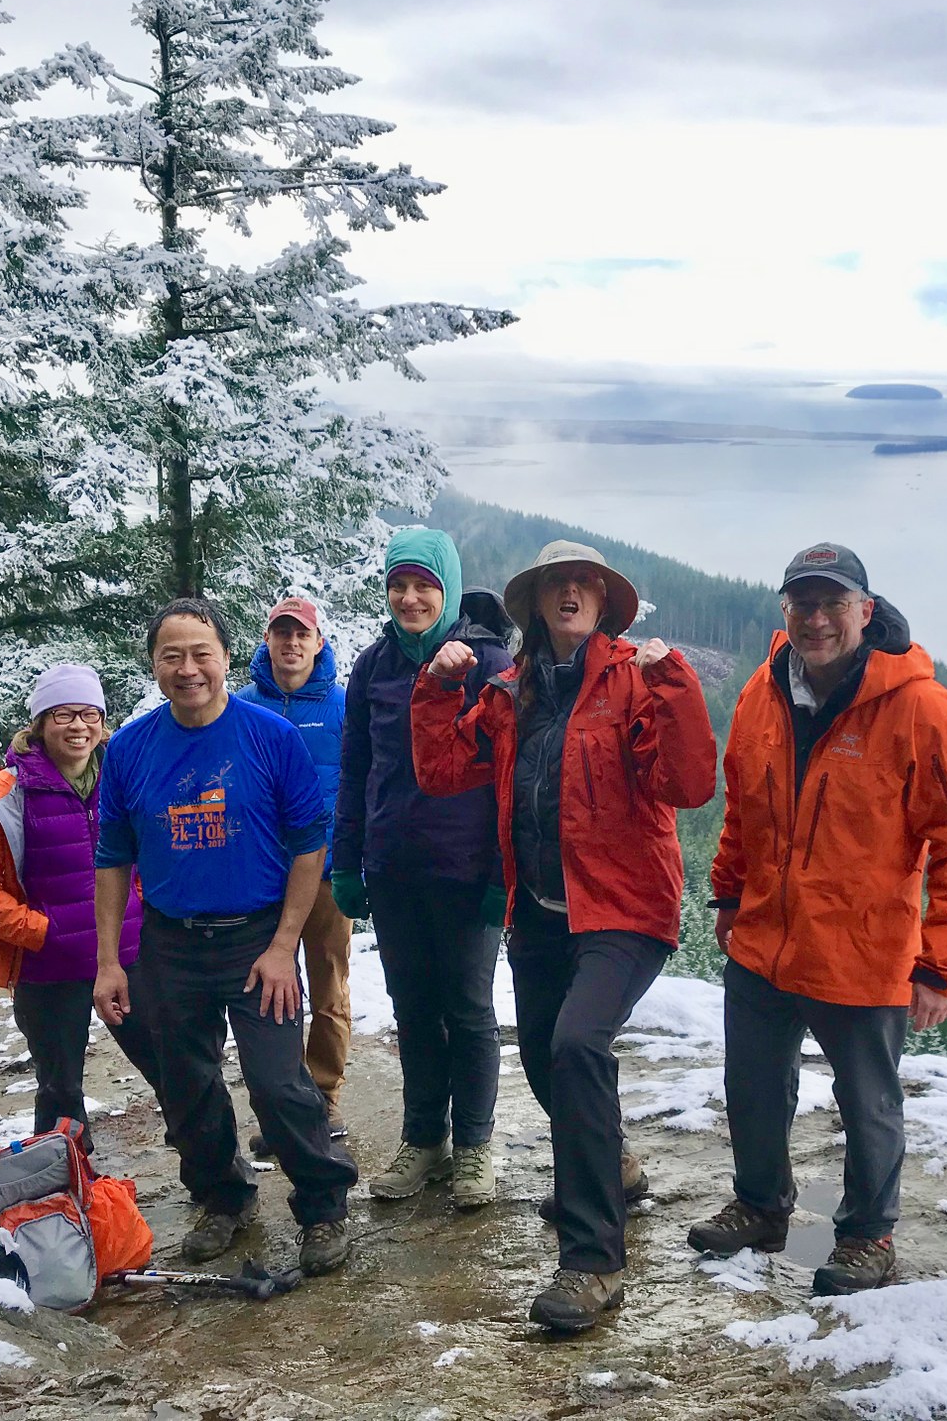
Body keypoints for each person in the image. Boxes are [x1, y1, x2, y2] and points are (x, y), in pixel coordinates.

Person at [413, 540, 717, 1333]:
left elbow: (687, 784)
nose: (572, 593)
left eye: (585, 583)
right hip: (542, 911)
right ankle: (610, 1163)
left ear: (604, 603)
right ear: (538, 604)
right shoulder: (511, 692)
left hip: (624, 907)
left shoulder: (633, 681)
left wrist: (676, 687)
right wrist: (438, 690)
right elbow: (445, 770)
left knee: (580, 1045)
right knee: (553, 1065)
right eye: (558, 584)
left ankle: (592, 1260)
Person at [689, 543, 947, 1297]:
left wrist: (940, 963)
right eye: (803, 603)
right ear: (784, 611)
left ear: (866, 610)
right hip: (765, 937)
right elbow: (744, 808)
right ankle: (761, 1206)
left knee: (867, 1102)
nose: (817, 619)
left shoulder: (921, 708)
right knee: (754, 1085)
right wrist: (727, 895)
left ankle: (867, 1237)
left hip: (863, 951)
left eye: (834, 603)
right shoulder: (763, 693)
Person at [92, 598, 357, 1274]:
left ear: (227, 658)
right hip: (170, 942)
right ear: (153, 665)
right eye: (171, 655)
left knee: (278, 1083)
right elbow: (113, 858)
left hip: (256, 938)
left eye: (201, 653)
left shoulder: (270, 737)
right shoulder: (127, 750)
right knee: (186, 1085)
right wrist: (109, 962)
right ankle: (224, 1198)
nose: (188, 670)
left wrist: (282, 946)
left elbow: (308, 844)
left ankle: (324, 1208)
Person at [332, 528, 514, 1209]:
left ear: (447, 588)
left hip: (466, 869)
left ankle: (472, 1146)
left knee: (467, 1011)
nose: (409, 598)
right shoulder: (374, 666)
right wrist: (347, 861)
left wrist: (503, 873)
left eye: (424, 586)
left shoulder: (487, 661)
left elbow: (508, 776)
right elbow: (356, 770)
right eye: (398, 585)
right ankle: (423, 1140)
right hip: (393, 867)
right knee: (413, 1010)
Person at [0, 664, 162, 1152]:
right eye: (63, 714)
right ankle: (63, 1187)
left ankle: (214, 1176)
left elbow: (152, 855)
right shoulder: (4, 793)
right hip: (47, 967)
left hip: (130, 955)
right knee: (60, 1088)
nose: (78, 726)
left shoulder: (123, 779)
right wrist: (40, 931)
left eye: (89, 714)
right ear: (40, 723)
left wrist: (145, 907)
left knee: (169, 1064)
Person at [237, 595, 351, 1138]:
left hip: (326, 874)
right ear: (268, 641)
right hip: (262, 876)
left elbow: (362, 785)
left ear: (318, 642)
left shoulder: (343, 706)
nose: (291, 643)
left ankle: (323, 1098)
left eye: (301, 634)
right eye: (281, 633)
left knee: (328, 988)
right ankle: (285, 1105)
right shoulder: (239, 707)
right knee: (271, 992)